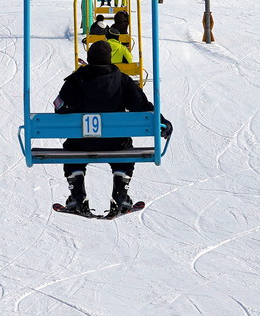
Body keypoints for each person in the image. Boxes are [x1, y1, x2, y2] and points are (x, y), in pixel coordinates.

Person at [53, 39, 171, 217]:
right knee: (124, 147)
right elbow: (142, 107)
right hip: (115, 144)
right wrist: (161, 122)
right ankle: (120, 194)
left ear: (89, 57)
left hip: (81, 143)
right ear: (109, 59)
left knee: (72, 148)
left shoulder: (75, 80)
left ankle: (77, 196)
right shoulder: (123, 80)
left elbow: (59, 108)